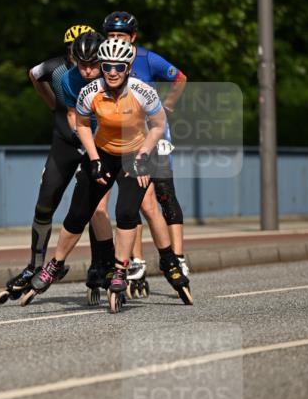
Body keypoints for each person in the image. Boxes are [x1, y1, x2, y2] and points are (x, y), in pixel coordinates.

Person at [23, 36, 192, 306]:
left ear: (128, 68)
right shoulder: (90, 91)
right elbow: (81, 124)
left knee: (127, 211)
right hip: (103, 152)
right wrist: (93, 158)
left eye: (119, 67)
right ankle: (55, 264)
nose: (112, 72)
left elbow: (158, 126)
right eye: (107, 67)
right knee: (79, 211)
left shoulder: (142, 91)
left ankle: (130, 268)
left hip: (135, 154)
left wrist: (144, 156)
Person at [0, 26, 105, 303]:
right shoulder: (59, 72)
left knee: (94, 206)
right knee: (45, 201)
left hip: (97, 142)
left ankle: (99, 266)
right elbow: (34, 75)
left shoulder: (106, 74)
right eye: (71, 52)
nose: (77, 60)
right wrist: (51, 103)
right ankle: (34, 265)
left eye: (85, 55)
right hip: (66, 141)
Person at [96, 10, 188, 293]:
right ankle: (136, 261)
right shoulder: (107, 61)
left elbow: (180, 77)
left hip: (152, 132)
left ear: (133, 37)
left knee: (162, 193)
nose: (115, 40)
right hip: (123, 135)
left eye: (120, 36)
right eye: (111, 36)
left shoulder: (148, 59)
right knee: (133, 198)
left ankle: (178, 257)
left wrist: (168, 105)